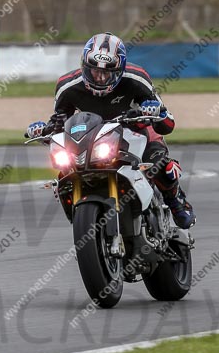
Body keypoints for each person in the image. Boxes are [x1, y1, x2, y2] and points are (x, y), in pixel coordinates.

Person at [26, 32, 196, 229]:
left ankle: (176, 200)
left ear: (120, 70)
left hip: (134, 130)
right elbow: (60, 120)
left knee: (157, 162)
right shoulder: (68, 87)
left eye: (108, 72)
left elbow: (168, 124)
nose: (100, 77)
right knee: (65, 167)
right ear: (84, 66)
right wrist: (44, 130)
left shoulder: (136, 78)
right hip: (92, 137)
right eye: (94, 71)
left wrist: (154, 111)